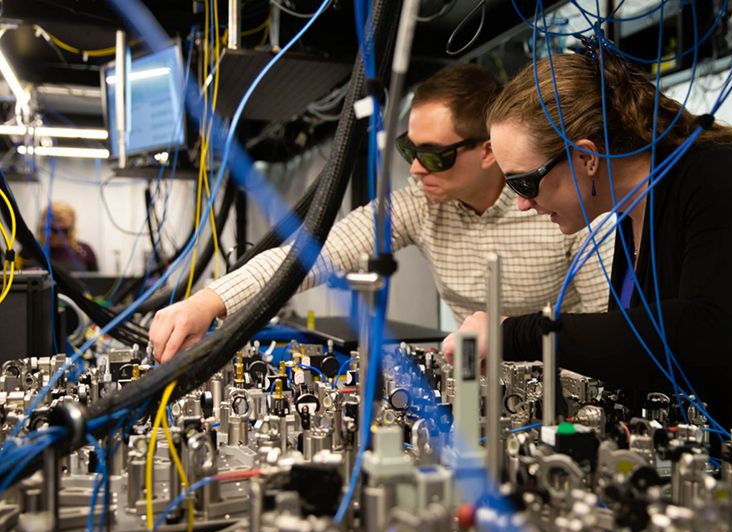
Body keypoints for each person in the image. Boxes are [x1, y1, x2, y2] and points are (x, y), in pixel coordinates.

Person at [445, 51, 732, 464]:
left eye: (524, 183)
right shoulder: (631, 216)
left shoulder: (724, 177)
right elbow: (645, 348)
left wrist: (519, 332)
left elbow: (713, 334)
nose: (522, 203)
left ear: (586, 156)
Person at [149, 63, 614, 363]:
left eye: (433, 154)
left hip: (559, 391)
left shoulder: (562, 205)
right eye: (409, 148)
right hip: (475, 381)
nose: (414, 167)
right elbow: (317, 251)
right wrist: (208, 301)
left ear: (489, 151)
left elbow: (607, 324)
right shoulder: (420, 202)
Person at [31, 201, 99, 272]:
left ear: (72, 228)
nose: (59, 235)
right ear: (44, 227)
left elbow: (97, 281)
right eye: (54, 230)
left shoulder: (84, 251)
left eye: (64, 230)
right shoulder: (30, 251)